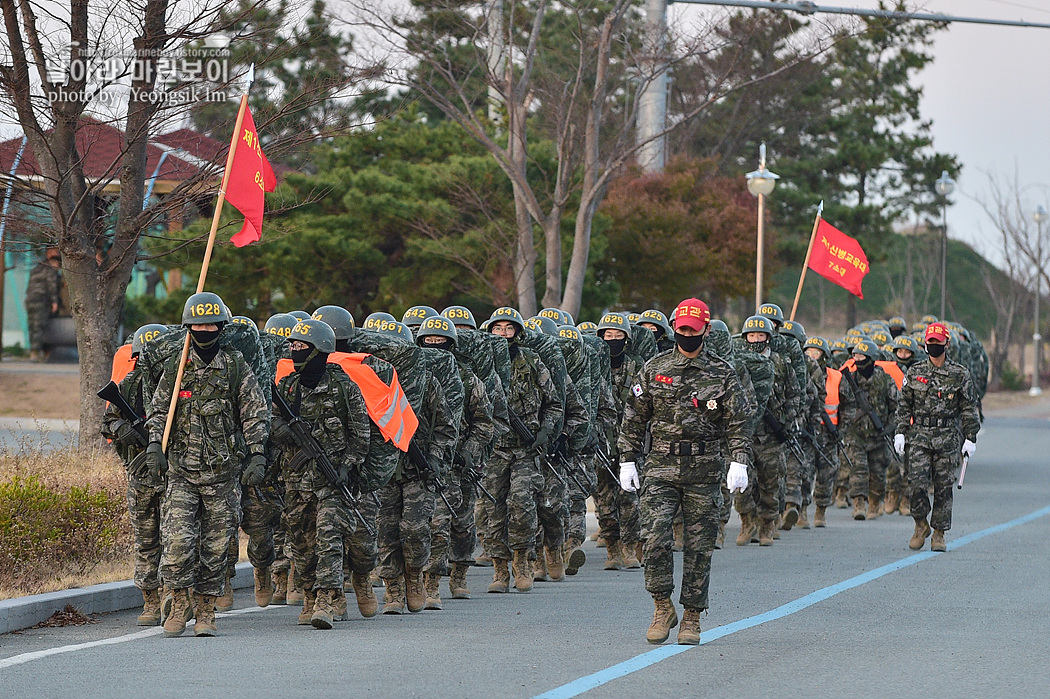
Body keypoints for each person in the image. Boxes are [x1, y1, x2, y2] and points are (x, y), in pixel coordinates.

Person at [618, 298, 750, 646]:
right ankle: (662, 606)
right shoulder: (654, 368)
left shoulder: (722, 373)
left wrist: (739, 460)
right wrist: (627, 459)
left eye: (693, 329)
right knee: (655, 537)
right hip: (660, 467)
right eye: (682, 329)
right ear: (675, 327)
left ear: (706, 329)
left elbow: (738, 422)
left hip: (705, 470)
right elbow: (634, 417)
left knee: (699, 545)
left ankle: (692, 615)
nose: (687, 334)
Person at [144, 292, 270, 637]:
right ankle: (178, 604)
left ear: (221, 327)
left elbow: (254, 413)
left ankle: (205, 611)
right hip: (181, 472)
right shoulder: (176, 366)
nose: (203, 330)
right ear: (188, 328)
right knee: (177, 544)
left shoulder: (235, 366)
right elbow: (158, 410)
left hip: (222, 474)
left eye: (210, 324)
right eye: (197, 324)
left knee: (216, 548)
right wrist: (155, 444)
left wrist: (257, 452)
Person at [270, 319, 372, 628]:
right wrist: (286, 432)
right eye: (293, 347)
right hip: (296, 480)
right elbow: (270, 423)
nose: (295, 351)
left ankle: (328, 598)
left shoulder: (344, 388)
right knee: (300, 541)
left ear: (319, 350)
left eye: (301, 347)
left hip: (331, 480)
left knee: (329, 536)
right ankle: (310, 594)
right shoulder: (287, 387)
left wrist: (346, 466)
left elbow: (361, 434)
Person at [481, 307, 563, 593]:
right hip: (493, 449)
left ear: (518, 331)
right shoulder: (483, 365)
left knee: (522, 504)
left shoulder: (532, 361)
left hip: (526, 449)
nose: (503, 333)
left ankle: (522, 561)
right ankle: (499, 569)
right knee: (493, 509)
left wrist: (545, 431)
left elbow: (553, 402)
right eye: (498, 328)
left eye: (508, 328)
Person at [100, 323, 168, 625]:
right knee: (146, 539)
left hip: (172, 475)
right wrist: (126, 430)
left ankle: (172, 595)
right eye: (144, 356)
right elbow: (109, 422)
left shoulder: (175, 385)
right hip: (139, 475)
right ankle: (150, 600)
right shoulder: (128, 385)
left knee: (175, 538)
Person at [894, 322, 980, 552]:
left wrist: (970, 437)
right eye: (930, 342)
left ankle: (939, 534)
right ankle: (920, 524)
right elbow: (904, 405)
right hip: (920, 436)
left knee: (943, 487)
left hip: (947, 436)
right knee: (917, 483)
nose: (934, 346)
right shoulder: (914, 372)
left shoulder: (959, 374)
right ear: (925, 344)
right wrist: (900, 432)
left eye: (938, 343)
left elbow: (969, 408)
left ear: (946, 344)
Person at [24, 247, 63, 362]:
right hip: (41, 300)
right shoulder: (50, 270)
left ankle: (33, 351)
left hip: (30, 300)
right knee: (39, 327)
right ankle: (36, 353)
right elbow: (52, 286)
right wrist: (54, 302)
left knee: (32, 326)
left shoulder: (36, 269)